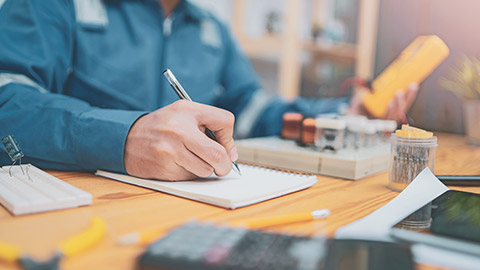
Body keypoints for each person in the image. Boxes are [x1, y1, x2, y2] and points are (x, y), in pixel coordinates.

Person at [0, 0, 416, 181]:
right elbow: (8, 103)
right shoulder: (52, 3)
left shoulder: (211, 28)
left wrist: (343, 113)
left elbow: (251, 109)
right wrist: (124, 137)